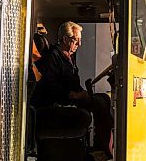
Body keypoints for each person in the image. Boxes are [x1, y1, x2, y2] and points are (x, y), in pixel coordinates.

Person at [33, 21, 113, 159]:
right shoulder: (53, 56)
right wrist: (73, 95)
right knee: (97, 105)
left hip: (72, 97)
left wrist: (83, 94)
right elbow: (49, 87)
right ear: (65, 39)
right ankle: (100, 150)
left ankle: (103, 147)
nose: (79, 44)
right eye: (76, 40)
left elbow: (74, 83)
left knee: (104, 99)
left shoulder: (69, 58)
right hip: (57, 102)